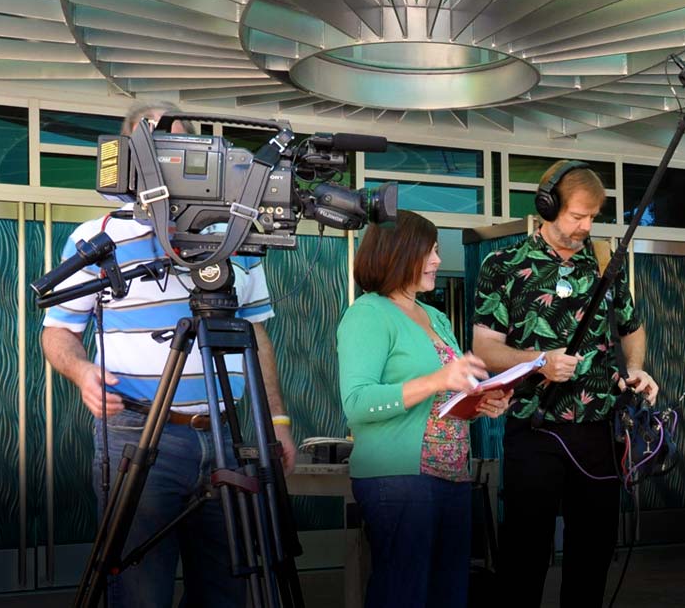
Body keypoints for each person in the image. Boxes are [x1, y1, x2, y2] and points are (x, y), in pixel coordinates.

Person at [41, 101, 295, 608]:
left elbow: (257, 335)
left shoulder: (238, 234)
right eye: (157, 148)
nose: (170, 162)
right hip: (138, 434)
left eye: (184, 149)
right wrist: (82, 373)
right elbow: (57, 334)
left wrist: (279, 422)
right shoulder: (97, 238)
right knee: (139, 590)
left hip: (227, 433)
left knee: (229, 588)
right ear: (130, 158)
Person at [473, 160, 660, 607]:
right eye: (578, 215)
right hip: (533, 430)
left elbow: (631, 329)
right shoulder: (503, 265)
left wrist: (636, 367)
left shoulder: (603, 263)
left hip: (596, 432)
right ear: (547, 205)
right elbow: (484, 348)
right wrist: (538, 362)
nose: (585, 226)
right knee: (525, 558)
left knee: (592, 559)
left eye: (592, 216)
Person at [337, 210, 512, 607]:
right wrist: (438, 380)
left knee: (449, 594)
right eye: (430, 252)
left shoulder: (434, 315)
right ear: (399, 252)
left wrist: (480, 400)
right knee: (404, 593)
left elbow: (446, 397)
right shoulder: (367, 313)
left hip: (452, 476)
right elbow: (358, 403)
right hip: (399, 479)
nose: (437, 261)